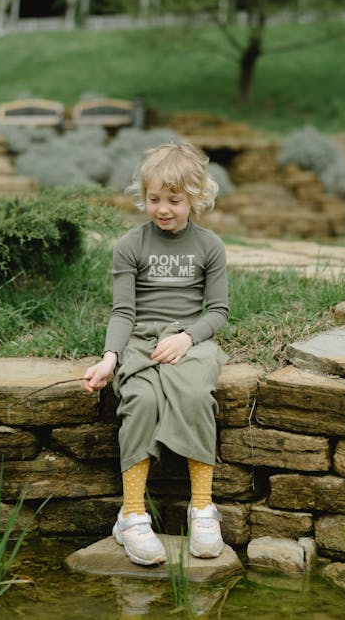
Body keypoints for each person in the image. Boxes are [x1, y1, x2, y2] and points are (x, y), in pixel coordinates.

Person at [83, 141, 229, 566]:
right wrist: (110, 357)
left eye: (174, 200)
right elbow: (123, 311)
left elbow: (218, 311)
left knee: (195, 395)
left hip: (188, 340)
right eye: (154, 199)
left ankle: (202, 508)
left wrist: (188, 337)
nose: (163, 208)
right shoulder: (131, 245)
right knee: (143, 399)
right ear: (143, 197)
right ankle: (131, 516)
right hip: (141, 342)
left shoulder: (209, 246)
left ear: (196, 199)